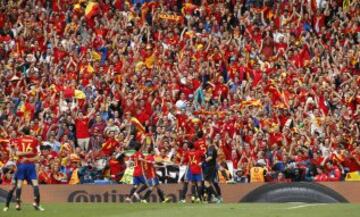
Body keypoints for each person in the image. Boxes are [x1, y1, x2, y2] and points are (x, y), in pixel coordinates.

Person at [12, 127, 44, 211]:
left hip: (21, 165)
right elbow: (38, 155)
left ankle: (18, 205)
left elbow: (17, 153)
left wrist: (24, 156)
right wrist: (29, 158)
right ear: (30, 131)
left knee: (19, 185)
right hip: (30, 165)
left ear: (23, 132)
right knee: (35, 184)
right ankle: (36, 203)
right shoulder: (35, 140)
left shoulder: (19, 140)